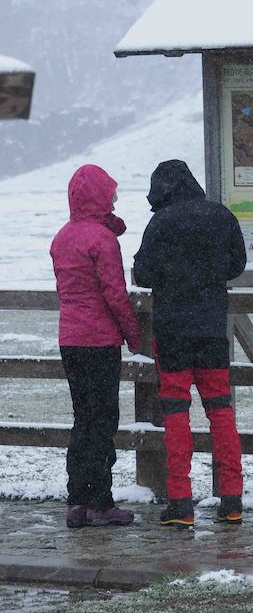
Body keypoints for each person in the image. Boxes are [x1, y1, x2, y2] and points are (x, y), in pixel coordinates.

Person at [133, 160, 247, 528]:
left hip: (172, 332)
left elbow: (144, 273)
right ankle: (232, 500)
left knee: (176, 413)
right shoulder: (220, 216)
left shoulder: (161, 222)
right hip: (212, 328)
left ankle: (180, 502)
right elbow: (236, 264)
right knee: (220, 410)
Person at [50, 164, 141, 528]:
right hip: (99, 341)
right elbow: (115, 295)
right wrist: (135, 338)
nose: (116, 198)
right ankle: (100, 501)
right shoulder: (102, 239)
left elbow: (66, 291)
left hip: (69, 338)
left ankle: (77, 500)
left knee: (83, 419)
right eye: (112, 192)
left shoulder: (62, 237)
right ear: (100, 197)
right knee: (103, 421)